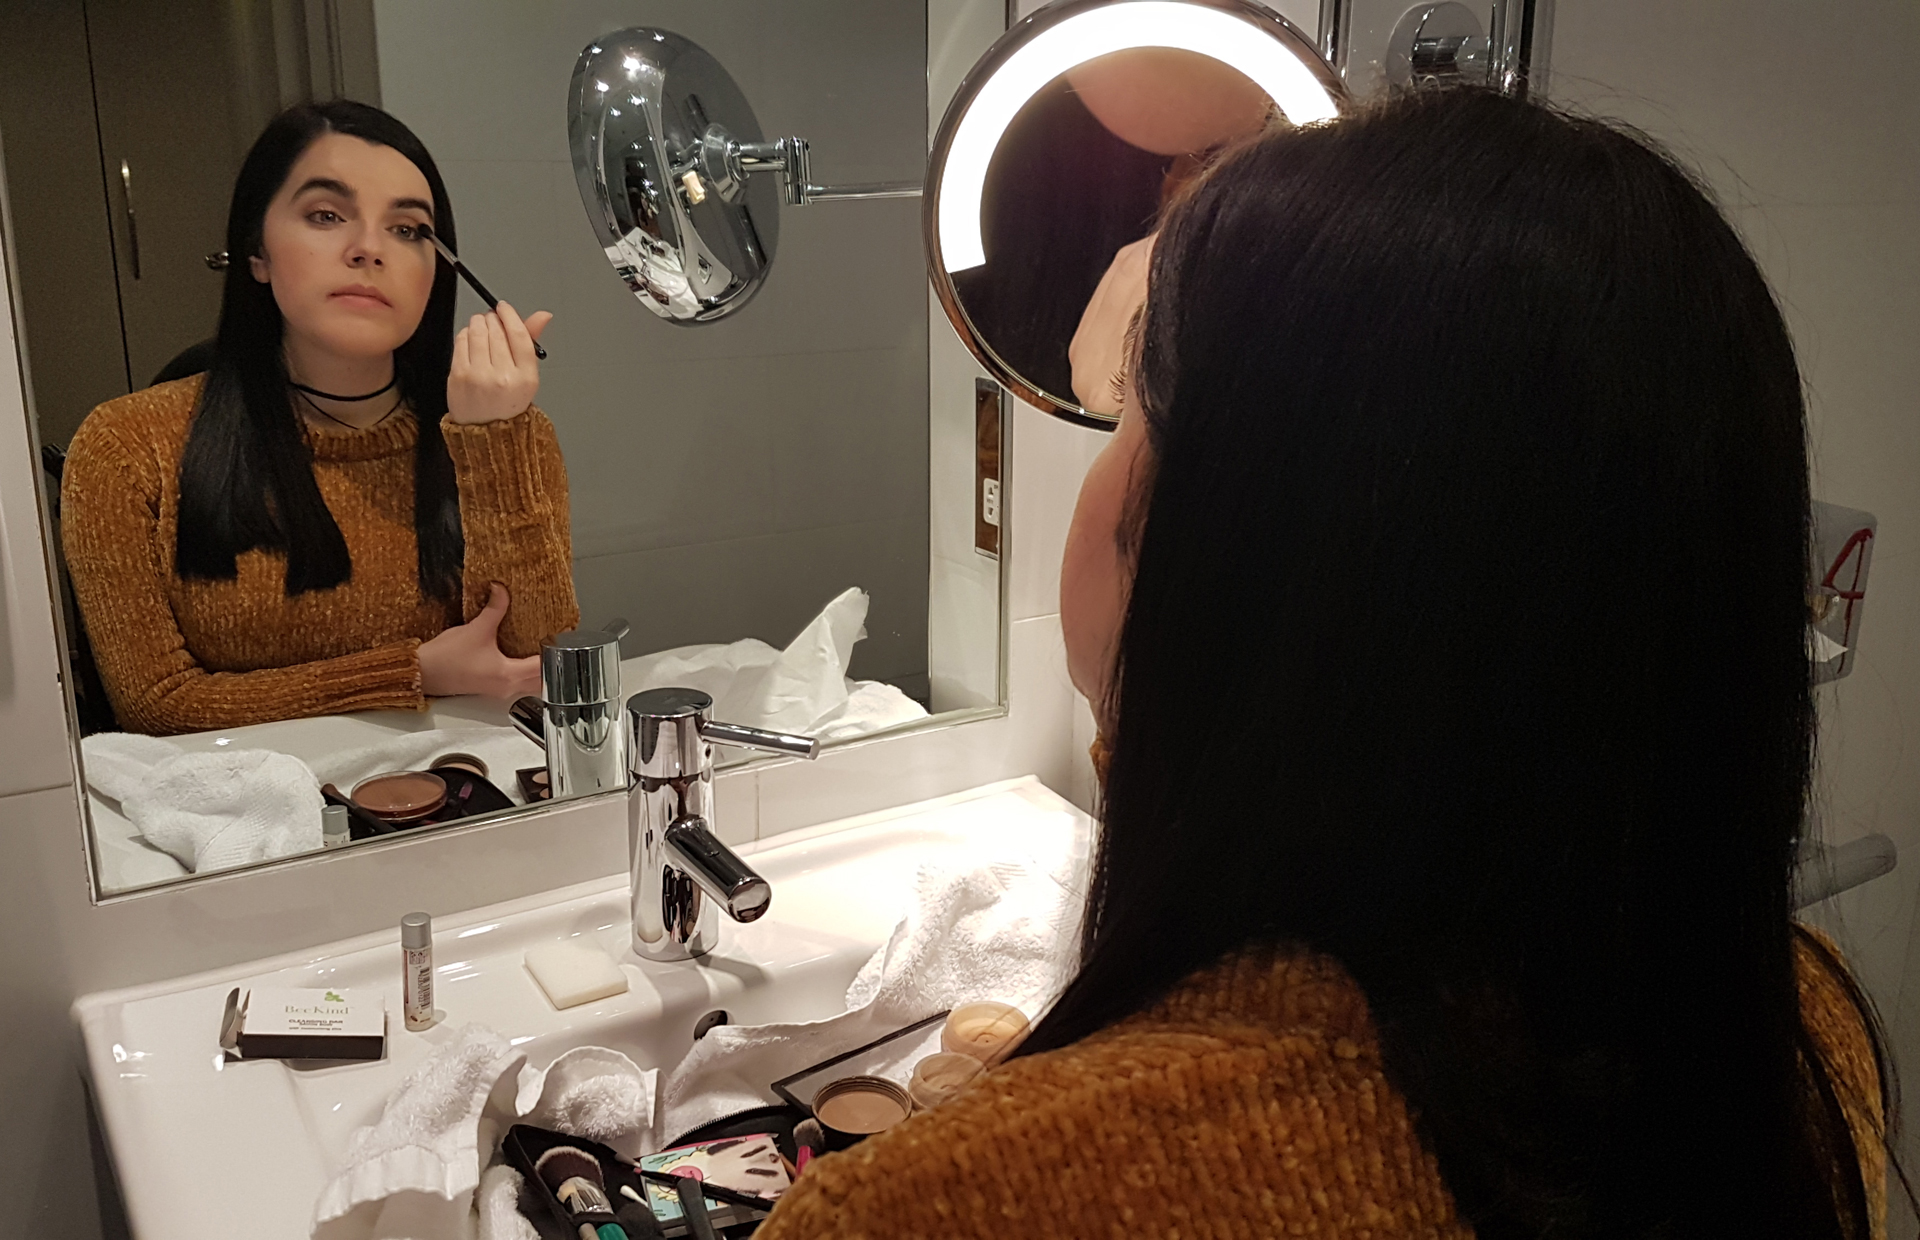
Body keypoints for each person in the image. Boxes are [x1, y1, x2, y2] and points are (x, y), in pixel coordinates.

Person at [758, 89, 1892, 1239]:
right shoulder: (1797, 1036)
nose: (1105, 466)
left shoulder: (936, 1210)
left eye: (1135, 416)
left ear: (1252, 552)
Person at [62, 101, 578, 736]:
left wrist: (493, 442)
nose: (368, 249)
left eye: (409, 229)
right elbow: (156, 706)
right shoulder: (126, 447)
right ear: (257, 252)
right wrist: (411, 673)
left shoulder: (501, 434)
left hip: (462, 800)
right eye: (326, 216)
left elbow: (539, 664)